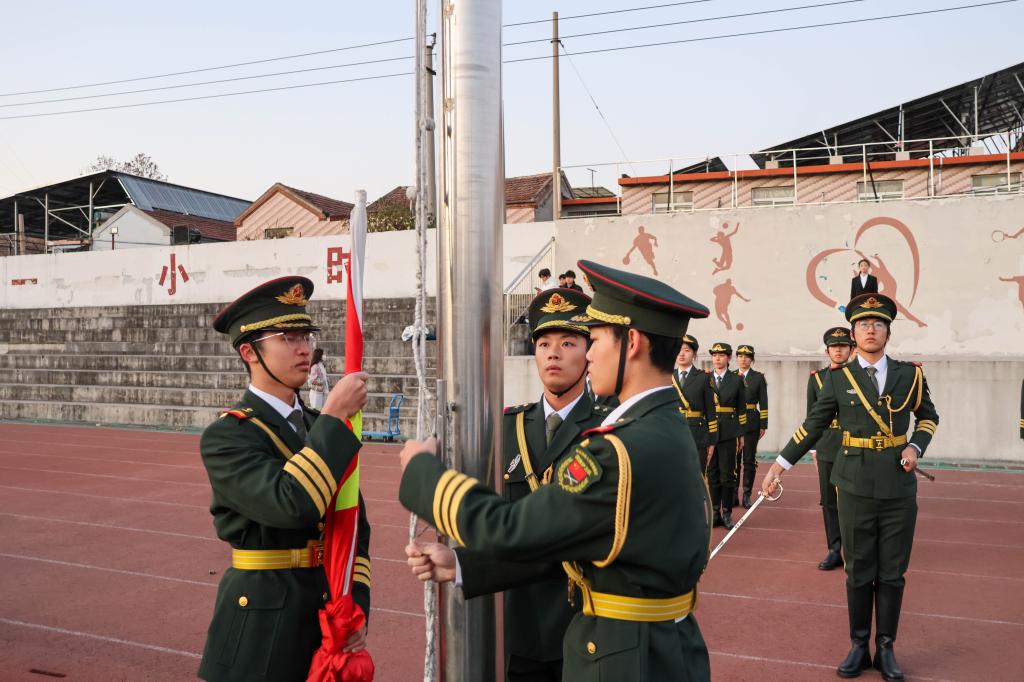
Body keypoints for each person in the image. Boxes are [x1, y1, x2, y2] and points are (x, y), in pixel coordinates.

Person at [399, 259, 713, 681]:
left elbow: (510, 529)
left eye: (594, 340)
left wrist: (422, 472)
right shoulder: (664, 426)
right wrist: (463, 566)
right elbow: (569, 541)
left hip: (623, 658)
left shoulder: (617, 449)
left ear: (632, 342)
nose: (590, 354)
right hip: (660, 649)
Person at [407, 287, 610, 682]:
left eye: (568, 343)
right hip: (521, 628)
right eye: (544, 344)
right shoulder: (507, 427)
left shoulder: (607, 429)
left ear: (588, 352)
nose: (553, 354)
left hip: (585, 627)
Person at [198, 276, 372, 682]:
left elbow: (353, 524)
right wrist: (334, 417)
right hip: (261, 624)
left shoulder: (318, 425)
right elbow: (291, 504)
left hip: (328, 611)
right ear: (249, 352)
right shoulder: (228, 436)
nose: (304, 349)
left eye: (307, 336)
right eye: (288, 338)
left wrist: (355, 606)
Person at [762, 293, 939, 681]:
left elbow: (928, 417)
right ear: (854, 334)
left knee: (892, 572)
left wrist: (915, 446)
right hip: (854, 484)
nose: (870, 330)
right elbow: (813, 425)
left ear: (888, 332)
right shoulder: (838, 379)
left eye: (877, 324)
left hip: (898, 486)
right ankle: (859, 645)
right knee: (858, 570)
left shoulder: (910, 375)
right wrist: (779, 465)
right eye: (863, 324)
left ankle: (886, 647)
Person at [806, 327, 855, 571]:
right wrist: (814, 449)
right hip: (826, 445)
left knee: (854, 500)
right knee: (829, 501)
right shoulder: (816, 378)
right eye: (834, 347)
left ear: (851, 349)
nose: (838, 350)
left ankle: (854, 549)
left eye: (843, 346)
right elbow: (812, 416)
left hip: (853, 445)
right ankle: (835, 548)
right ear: (827, 351)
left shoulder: (860, 376)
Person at [707, 342, 745, 529]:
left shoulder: (736, 380)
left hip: (729, 432)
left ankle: (727, 512)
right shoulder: (705, 379)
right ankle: (715, 513)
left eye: (721, 355)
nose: (717, 358)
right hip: (710, 431)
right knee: (712, 474)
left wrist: (741, 434)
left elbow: (742, 409)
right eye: (714, 355)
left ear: (729, 358)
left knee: (727, 474)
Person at [673, 334, 716, 471]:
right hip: (672, 432)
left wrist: (712, 441)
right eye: (679, 350)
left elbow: (710, 410)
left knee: (697, 474)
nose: (681, 354)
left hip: (697, 434)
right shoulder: (667, 376)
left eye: (687, 350)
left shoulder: (703, 377)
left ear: (694, 354)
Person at [734, 345, 767, 509]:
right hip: (733, 423)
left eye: (747, 356)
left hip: (751, 421)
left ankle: (747, 494)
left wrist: (763, 424)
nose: (743, 359)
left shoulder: (758, 377)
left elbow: (764, 402)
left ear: (751, 359)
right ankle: (732, 494)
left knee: (748, 460)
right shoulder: (731, 376)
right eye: (740, 356)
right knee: (733, 460)